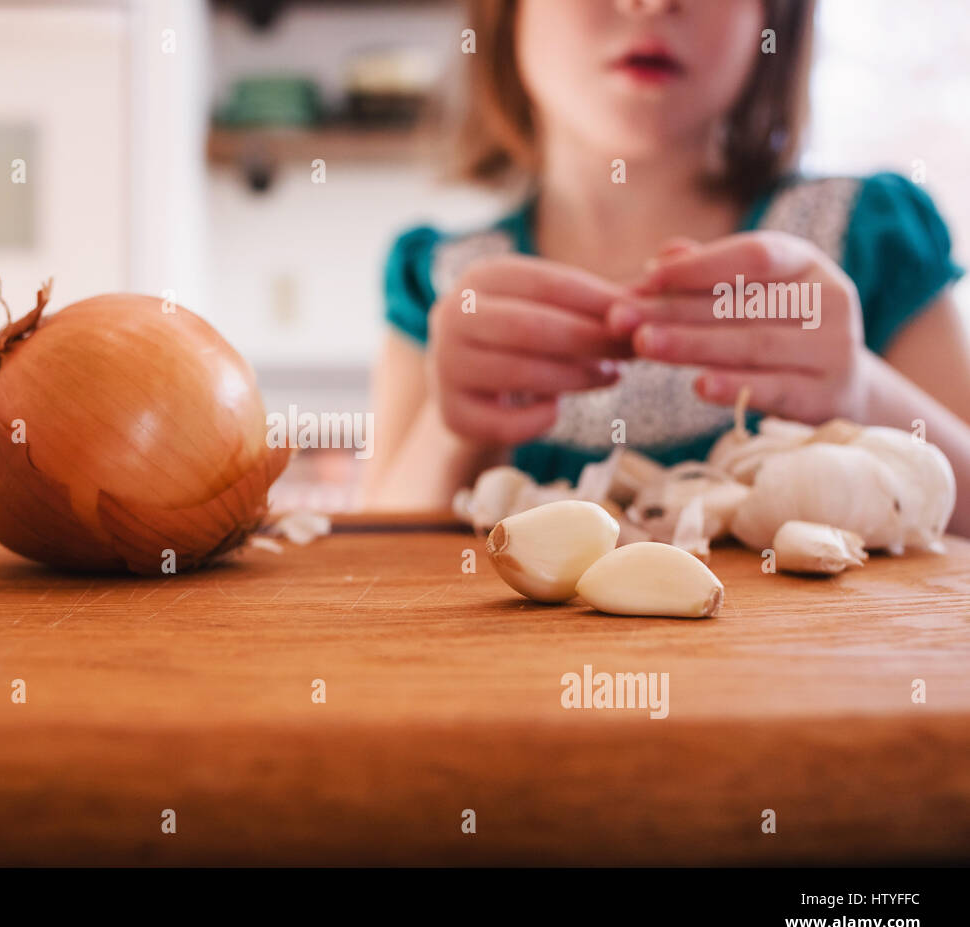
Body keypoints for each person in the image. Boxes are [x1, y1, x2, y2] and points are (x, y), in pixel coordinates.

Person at [364, 0, 970, 536]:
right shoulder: (439, 284)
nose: (652, 3)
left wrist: (862, 391)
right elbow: (365, 575)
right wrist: (451, 432)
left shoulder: (872, 240)